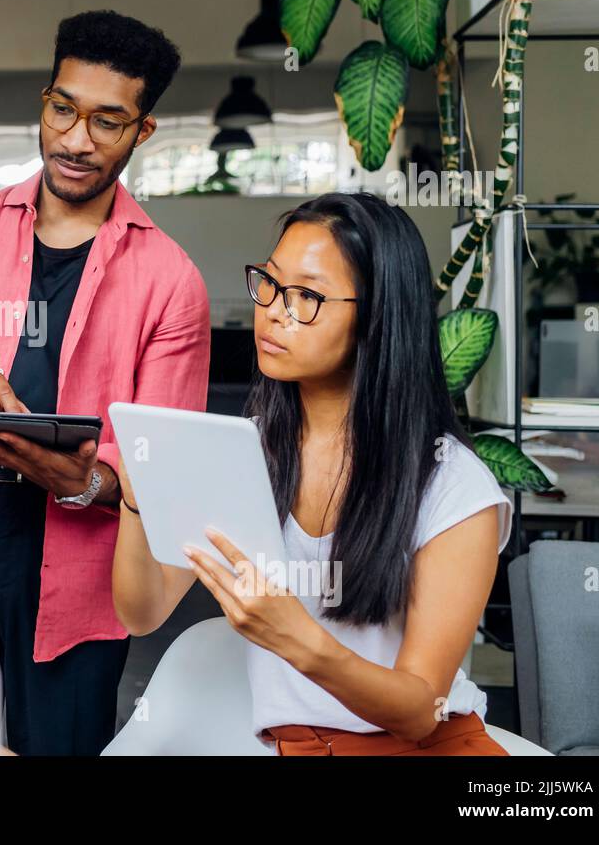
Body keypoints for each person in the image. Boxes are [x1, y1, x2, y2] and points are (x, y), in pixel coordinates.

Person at [0, 10, 211, 755]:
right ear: (45, 100)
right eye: (63, 109)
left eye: (108, 122)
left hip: (79, 593)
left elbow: (165, 464)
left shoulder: (171, 282)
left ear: (143, 132)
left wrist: (82, 480)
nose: (77, 140)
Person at [112, 192, 511, 756]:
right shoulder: (243, 452)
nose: (274, 310)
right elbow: (142, 612)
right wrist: (136, 504)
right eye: (270, 284)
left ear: (375, 317)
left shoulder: (450, 484)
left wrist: (298, 639)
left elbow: (422, 712)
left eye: (307, 297)